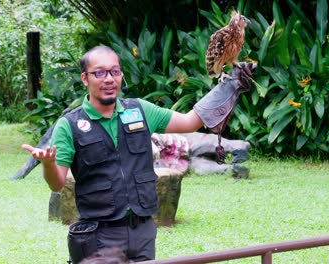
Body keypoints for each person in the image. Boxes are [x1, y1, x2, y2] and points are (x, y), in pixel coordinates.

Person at [22, 45, 254, 263]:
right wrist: (49, 164)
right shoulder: (70, 125)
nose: (109, 79)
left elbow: (190, 121)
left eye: (115, 72)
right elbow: (56, 184)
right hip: (98, 234)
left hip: (142, 230)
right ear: (85, 78)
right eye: (100, 73)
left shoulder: (141, 111)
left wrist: (229, 85)